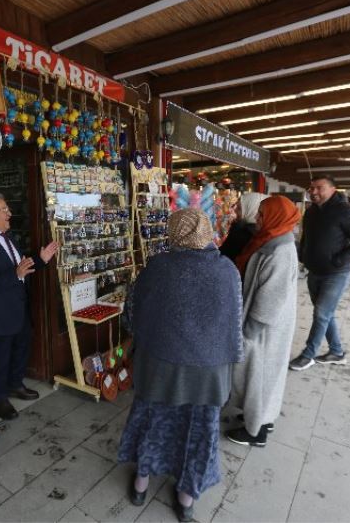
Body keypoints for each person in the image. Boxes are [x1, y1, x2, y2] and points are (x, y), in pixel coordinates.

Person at [118, 208, 243, 522]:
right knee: (200, 432)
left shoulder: (158, 268)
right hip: (208, 373)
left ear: (173, 234)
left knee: (152, 422)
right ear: (208, 234)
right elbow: (234, 325)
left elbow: (131, 316)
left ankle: (140, 484)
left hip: (160, 369)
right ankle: (186, 499)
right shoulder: (227, 270)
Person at [0, 193, 58, 420]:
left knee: (21, 348)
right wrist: (15, 273)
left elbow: (20, 267)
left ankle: (15, 384)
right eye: (4, 210)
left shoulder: (7, 236)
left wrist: (40, 261)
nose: (10, 214)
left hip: (18, 307)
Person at [225, 196, 300, 447]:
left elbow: (270, 298)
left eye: (262, 215)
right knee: (258, 376)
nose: (257, 219)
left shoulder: (280, 250)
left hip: (264, 328)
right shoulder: (269, 240)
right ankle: (256, 417)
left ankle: (256, 432)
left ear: (275, 217)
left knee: (261, 375)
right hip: (261, 324)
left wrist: (250, 330)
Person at [289, 176, 350, 371]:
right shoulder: (311, 211)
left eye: (319, 188)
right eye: (311, 188)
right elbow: (306, 238)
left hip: (336, 273)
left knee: (322, 313)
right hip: (314, 271)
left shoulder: (346, 211)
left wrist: (338, 260)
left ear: (333, 189)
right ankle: (337, 352)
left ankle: (308, 355)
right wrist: (303, 256)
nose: (313, 192)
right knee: (326, 314)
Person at [218, 192, 269, 264]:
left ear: (251, 210)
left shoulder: (242, 234)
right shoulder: (262, 233)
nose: (235, 210)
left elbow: (223, 257)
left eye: (239, 208)